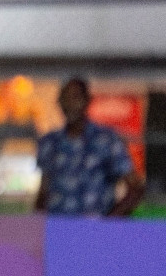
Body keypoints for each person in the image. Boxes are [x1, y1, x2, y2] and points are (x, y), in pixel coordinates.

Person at [35, 77, 145, 217]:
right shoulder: (49, 142)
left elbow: (136, 188)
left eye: (75, 97)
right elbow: (43, 191)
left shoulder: (107, 140)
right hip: (58, 230)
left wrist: (109, 222)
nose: (70, 104)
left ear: (87, 100)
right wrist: (37, 226)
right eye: (65, 98)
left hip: (95, 231)